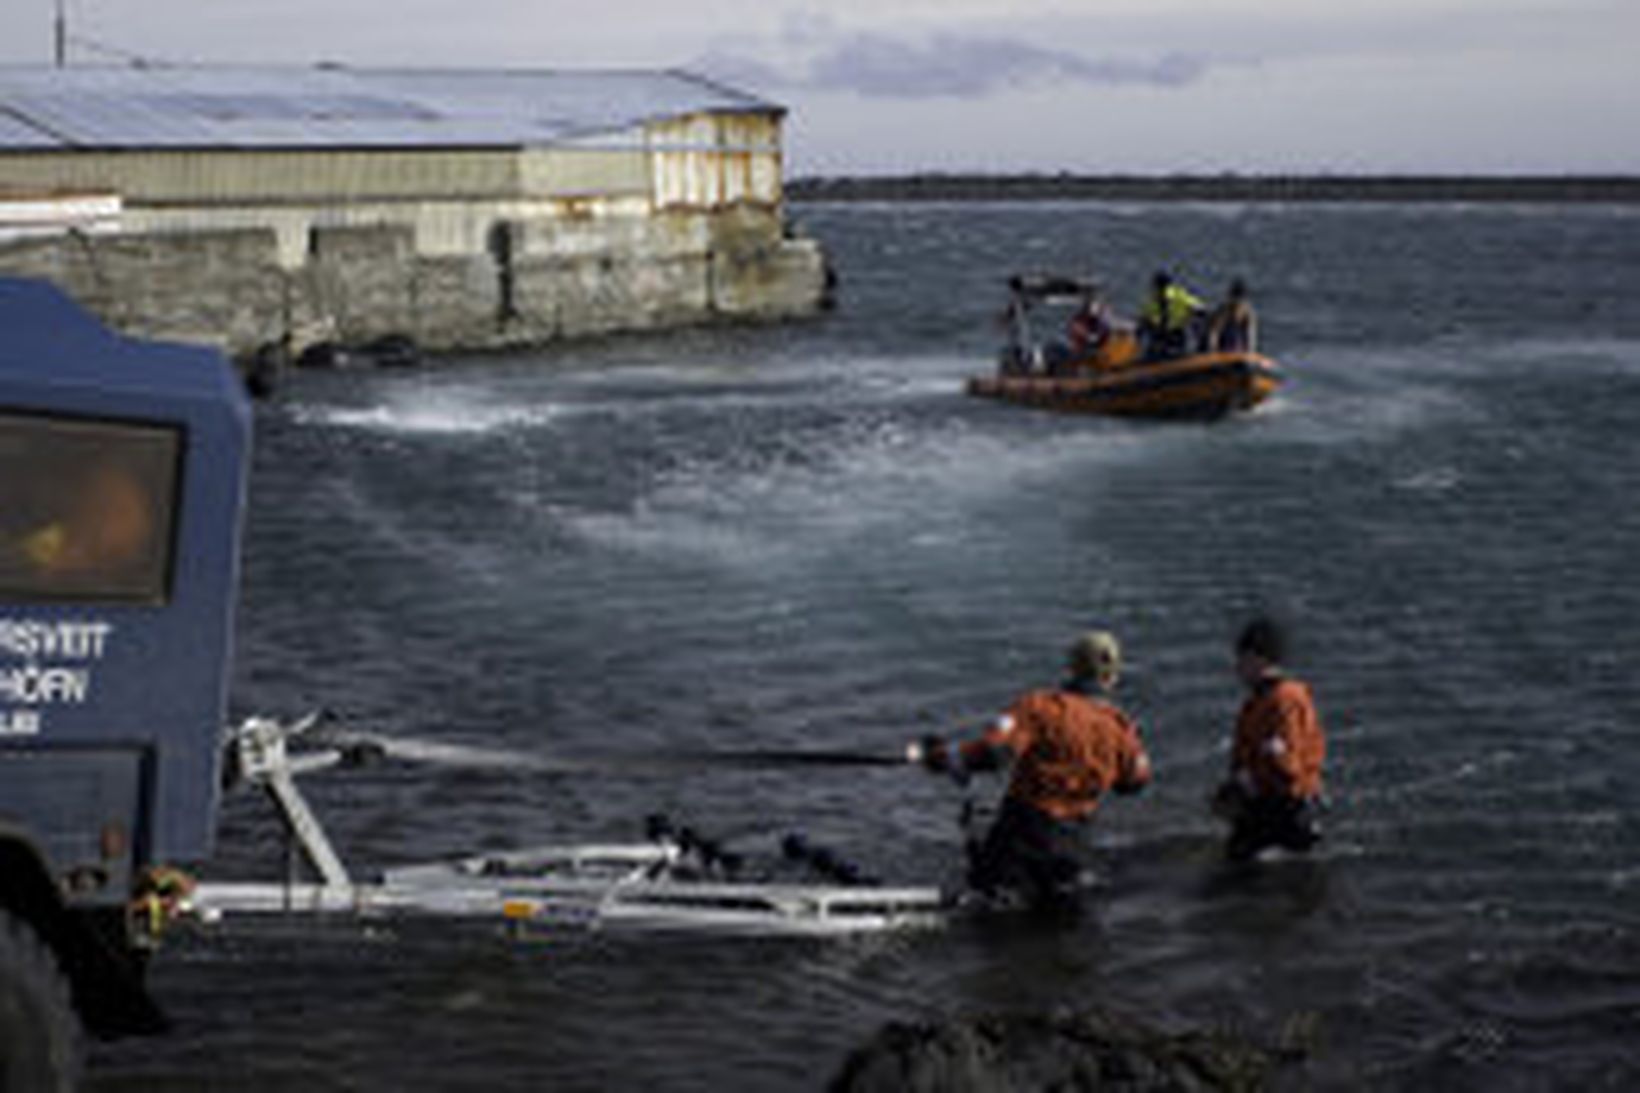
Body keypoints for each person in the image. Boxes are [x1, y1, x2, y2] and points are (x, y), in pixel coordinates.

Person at [913, 631, 1152, 909]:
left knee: (990, 912)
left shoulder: (1040, 707)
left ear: (1071, 667)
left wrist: (945, 757)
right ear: (1112, 676)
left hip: (1023, 835)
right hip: (1074, 843)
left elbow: (995, 753)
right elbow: (1134, 783)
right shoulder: (1121, 728)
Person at [1212, 618, 1327, 862]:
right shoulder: (1260, 700)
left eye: (1242, 660)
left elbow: (1287, 765)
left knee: (1239, 869)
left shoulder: (1284, 700)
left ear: (1258, 659)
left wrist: (1248, 782)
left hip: (1288, 808)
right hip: (1272, 801)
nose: (1237, 668)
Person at [1136, 270, 1205, 360]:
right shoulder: (1153, 301)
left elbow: (1199, 310)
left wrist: (1189, 318)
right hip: (1161, 335)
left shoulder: (1177, 295)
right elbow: (1144, 320)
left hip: (1177, 333)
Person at [1205, 278, 1258, 353]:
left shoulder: (1248, 313)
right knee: (1230, 333)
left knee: (1237, 337)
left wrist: (1250, 352)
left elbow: (1250, 335)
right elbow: (1214, 333)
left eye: (1240, 302)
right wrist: (1213, 352)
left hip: (1236, 347)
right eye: (1235, 301)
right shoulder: (1223, 311)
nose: (1237, 305)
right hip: (1220, 343)